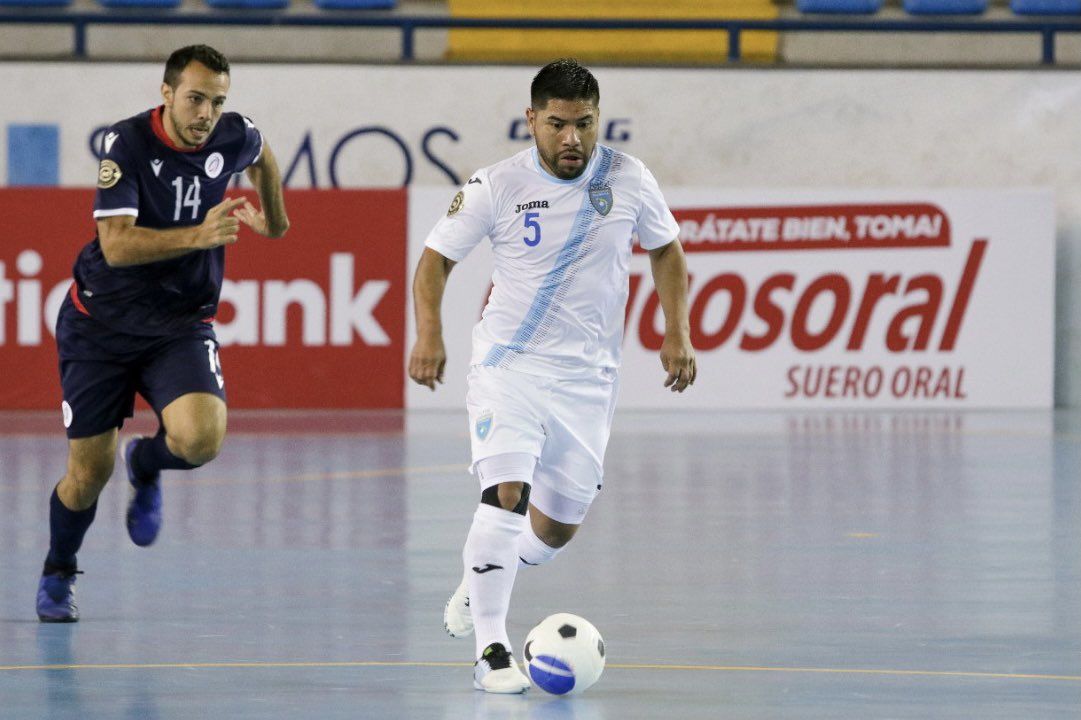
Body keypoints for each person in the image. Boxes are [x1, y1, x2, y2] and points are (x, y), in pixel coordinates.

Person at [408, 58, 695, 693]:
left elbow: (667, 249)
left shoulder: (628, 178)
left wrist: (677, 330)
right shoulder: (496, 185)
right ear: (532, 120)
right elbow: (434, 259)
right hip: (507, 365)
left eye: (585, 124)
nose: (573, 139)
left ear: (600, 120)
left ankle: (480, 574)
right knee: (505, 491)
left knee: (557, 527)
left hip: (589, 379)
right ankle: (491, 652)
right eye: (559, 124)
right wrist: (430, 331)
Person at [36, 44, 289, 623]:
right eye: (195, 99)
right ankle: (58, 569)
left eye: (217, 101)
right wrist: (198, 237)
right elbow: (116, 245)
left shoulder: (232, 134)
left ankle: (146, 463)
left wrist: (274, 221)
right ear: (167, 93)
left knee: (202, 439)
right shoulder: (125, 144)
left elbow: (263, 155)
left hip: (179, 325)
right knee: (86, 475)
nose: (206, 113)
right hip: (99, 325)